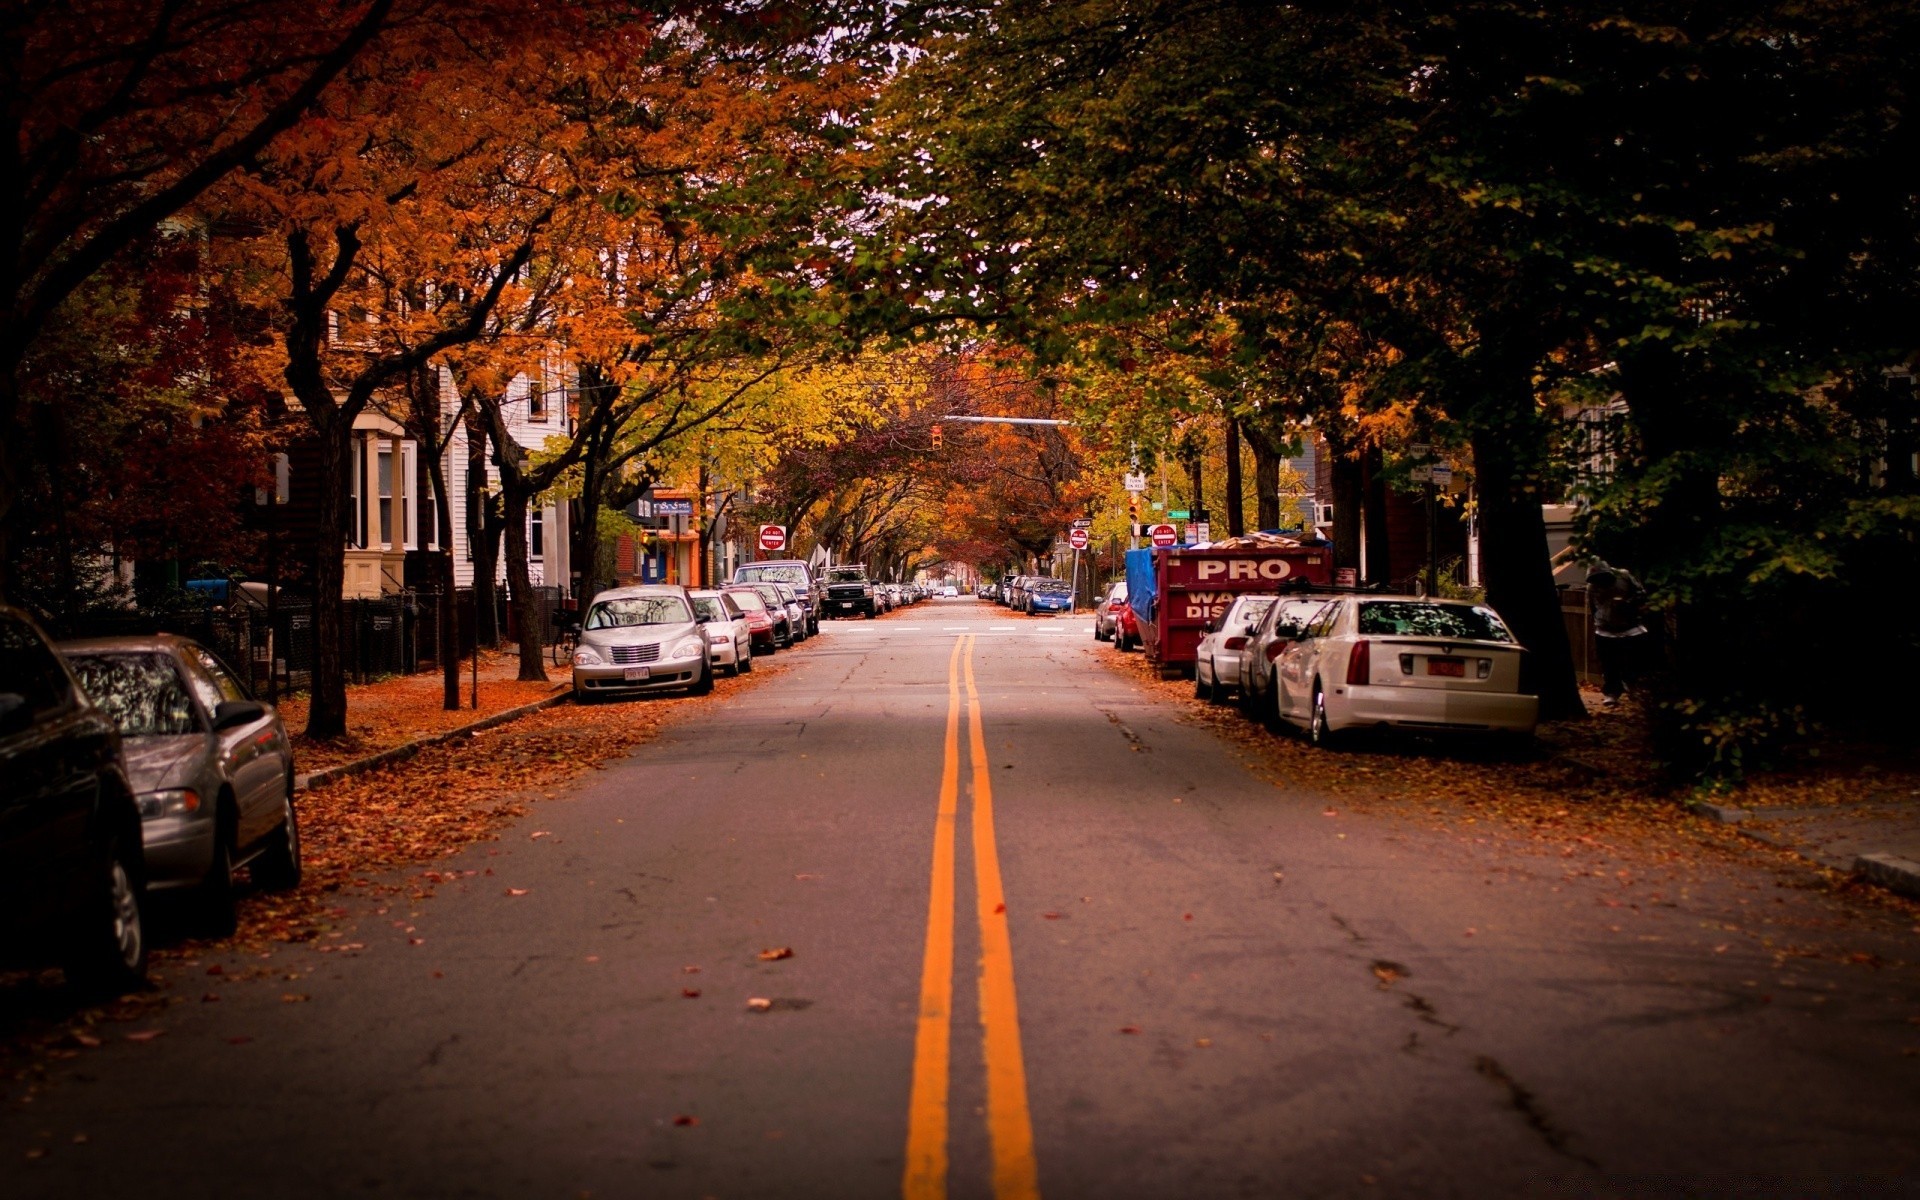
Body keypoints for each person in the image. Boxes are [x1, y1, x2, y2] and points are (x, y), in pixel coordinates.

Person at [1585, 565, 1650, 705]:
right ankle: (1612, 693)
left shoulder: (1624, 577)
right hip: (1605, 629)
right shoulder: (1592, 588)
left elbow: (1641, 593)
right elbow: (1592, 607)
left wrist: (1629, 604)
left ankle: (1632, 685)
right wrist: (1599, 620)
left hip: (1630, 626)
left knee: (1634, 659)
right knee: (1608, 664)